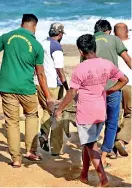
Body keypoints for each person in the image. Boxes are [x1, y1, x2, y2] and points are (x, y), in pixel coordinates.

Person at [55, 34, 128, 187]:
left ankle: (103, 179)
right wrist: (109, 91)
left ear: (81, 52)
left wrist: (60, 108)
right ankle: (84, 175)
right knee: (88, 144)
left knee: (90, 145)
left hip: (86, 113)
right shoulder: (106, 64)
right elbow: (124, 80)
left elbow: (72, 92)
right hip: (101, 112)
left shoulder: (80, 68)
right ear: (95, 47)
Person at [0, 14, 53, 167]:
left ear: (21, 23)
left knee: (11, 122)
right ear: (34, 26)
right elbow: (40, 74)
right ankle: (30, 151)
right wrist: (48, 95)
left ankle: (16, 159)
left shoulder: (7, 37)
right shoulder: (36, 45)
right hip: (27, 88)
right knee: (31, 115)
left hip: (7, 86)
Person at [93, 19, 131, 167]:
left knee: (96, 121)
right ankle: (104, 156)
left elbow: (84, 66)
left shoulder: (89, 40)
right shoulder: (114, 39)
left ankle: (91, 152)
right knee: (112, 122)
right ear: (108, 30)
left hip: (95, 89)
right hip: (114, 87)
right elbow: (127, 60)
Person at [35, 23, 69, 156]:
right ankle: (56, 148)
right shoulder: (56, 47)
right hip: (52, 85)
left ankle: (43, 135)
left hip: (39, 82)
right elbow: (59, 70)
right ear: (60, 34)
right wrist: (67, 88)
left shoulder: (41, 44)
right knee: (57, 113)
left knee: (46, 110)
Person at [113, 23, 132, 157]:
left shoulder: (110, 44)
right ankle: (121, 140)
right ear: (126, 32)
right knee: (129, 114)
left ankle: (111, 150)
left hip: (114, 84)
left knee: (114, 116)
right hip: (129, 84)